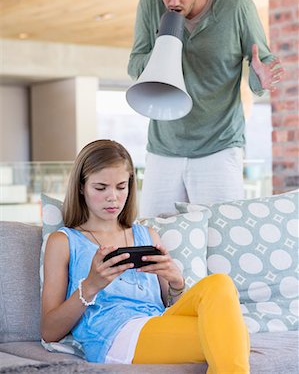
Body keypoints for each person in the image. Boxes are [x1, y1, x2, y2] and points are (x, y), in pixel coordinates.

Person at [41, 139, 250, 372]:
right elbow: (49, 331)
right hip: (115, 336)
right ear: (81, 187)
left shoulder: (147, 235)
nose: (113, 197)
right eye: (101, 188)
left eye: (121, 187)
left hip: (158, 322)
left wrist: (176, 282)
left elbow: (172, 307)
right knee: (230, 337)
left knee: (220, 283)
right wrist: (90, 286)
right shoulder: (64, 241)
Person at [128, 0, 285, 218]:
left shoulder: (237, 7)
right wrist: (165, 43)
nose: (173, 1)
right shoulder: (150, 2)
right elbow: (135, 64)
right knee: (157, 238)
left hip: (219, 146)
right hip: (164, 147)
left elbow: (263, 61)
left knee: (221, 238)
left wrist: (262, 77)